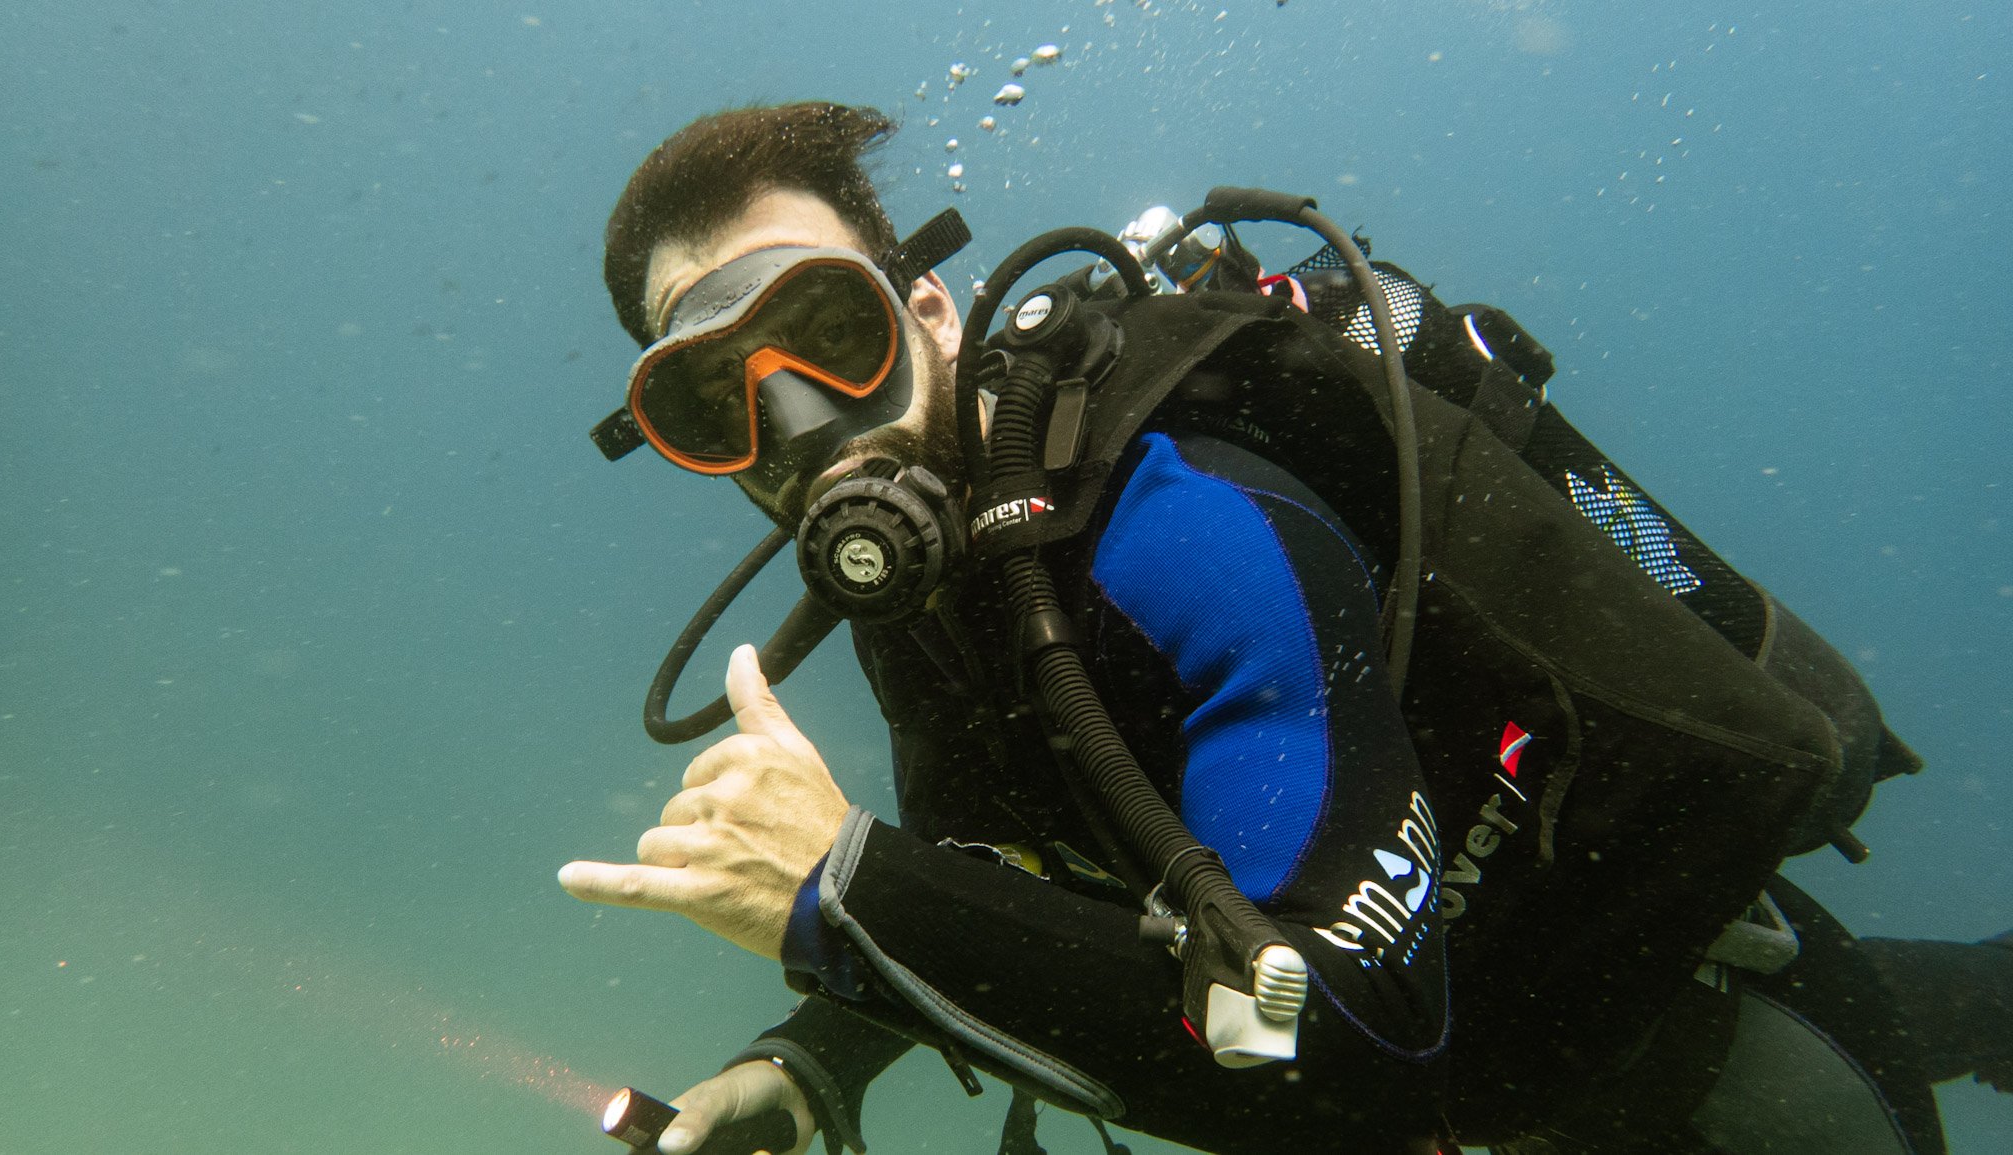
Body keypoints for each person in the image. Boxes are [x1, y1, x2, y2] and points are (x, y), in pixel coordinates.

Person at [557, 101, 2010, 1155]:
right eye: (714, 400)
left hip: (1715, 1073)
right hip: (1518, 1066)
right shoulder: (936, 587)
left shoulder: (1174, 517)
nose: (801, 426)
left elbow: (1355, 1046)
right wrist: (816, 1058)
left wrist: (849, 900)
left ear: (929, 311)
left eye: (832, 331)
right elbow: (1009, 867)